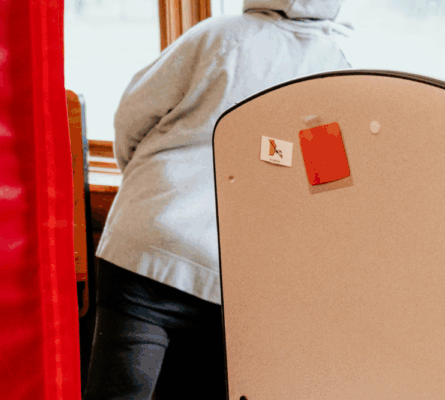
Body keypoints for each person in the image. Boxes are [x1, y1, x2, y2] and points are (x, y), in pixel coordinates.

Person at [87, 1, 351, 398]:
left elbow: (131, 117)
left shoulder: (217, 35)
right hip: (230, 269)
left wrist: (146, 185)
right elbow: (325, 182)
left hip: (146, 245)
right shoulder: (334, 71)